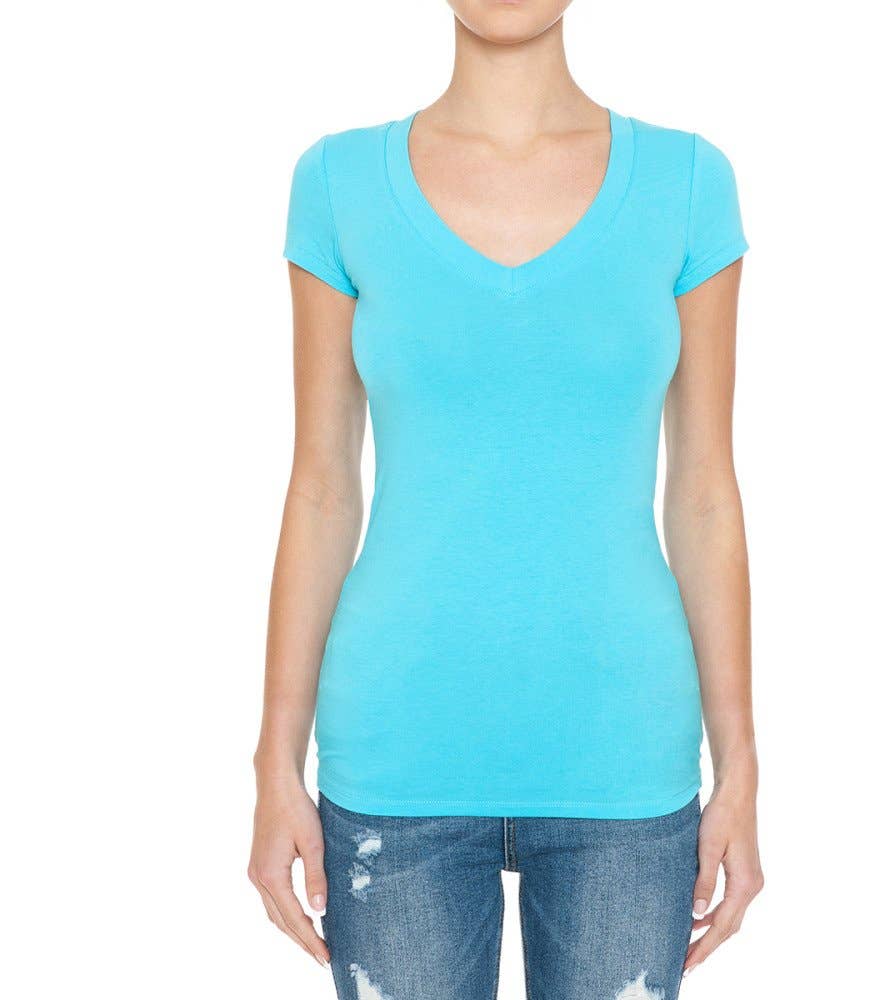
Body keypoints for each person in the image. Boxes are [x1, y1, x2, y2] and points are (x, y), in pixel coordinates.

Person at [249, 2, 763, 997]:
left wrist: (740, 764)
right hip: (395, 759)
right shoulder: (338, 184)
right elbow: (320, 488)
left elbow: (704, 492)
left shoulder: (689, 183)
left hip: (623, 757)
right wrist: (274, 762)